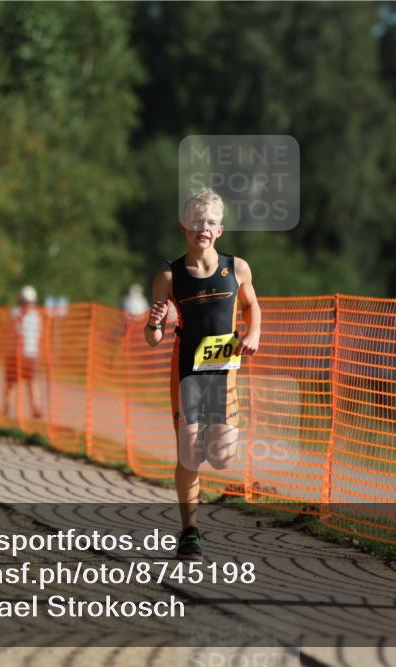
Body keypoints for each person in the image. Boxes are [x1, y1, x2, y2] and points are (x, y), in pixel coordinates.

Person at [145, 187, 261, 559]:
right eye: (196, 222)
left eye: (210, 222)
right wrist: (154, 325)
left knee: (223, 456)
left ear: (220, 229)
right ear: (184, 225)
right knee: (189, 454)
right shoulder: (169, 275)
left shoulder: (237, 268)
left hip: (224, 371)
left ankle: (213, 441)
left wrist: (254, 333)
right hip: (187, 372)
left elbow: (250, 306)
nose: (203, 228)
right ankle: (189, 530)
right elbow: (153, 338)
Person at [4, 285, 43, 419]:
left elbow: (38, 335)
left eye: (29, 302)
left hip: (30, 355)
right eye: (25, 302)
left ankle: (36, 408)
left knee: (32, 382)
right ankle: (7, 407)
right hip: (14, 354)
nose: (27, 305)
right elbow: (11, 332)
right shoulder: (15, 314)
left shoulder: (36, 317)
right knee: (11, 383)